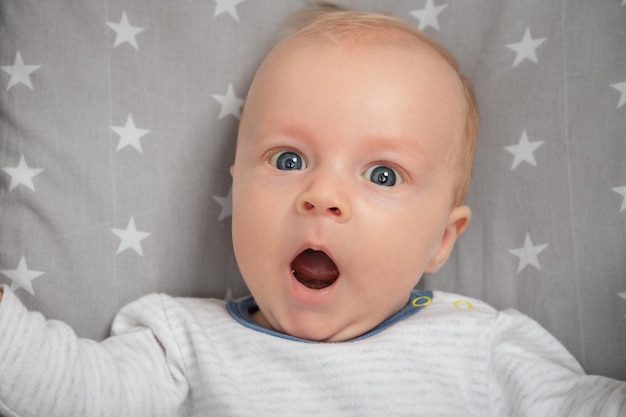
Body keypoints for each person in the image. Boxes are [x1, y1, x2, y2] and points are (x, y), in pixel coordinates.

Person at [0, 3, 624, 416]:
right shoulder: (181, 343)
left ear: (442, 238)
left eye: (382, 173)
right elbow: (68, 390)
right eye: (289, 159)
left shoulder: (481, 348)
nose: (321, 196)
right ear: (236, 187)